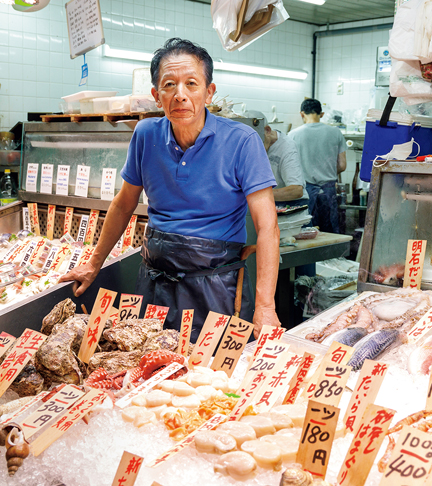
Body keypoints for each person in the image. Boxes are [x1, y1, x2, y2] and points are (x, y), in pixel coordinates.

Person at [60, 38, 281, 339]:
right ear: (155, 95)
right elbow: (124, 203)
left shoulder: (242, 141)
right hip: (154, 284)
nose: (180, 95)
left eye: (192, 83)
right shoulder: (145, 134)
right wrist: (93, 263)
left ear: (209, 92)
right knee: (146, 368)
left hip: (215, 287)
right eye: (169, 85)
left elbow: (267, 226)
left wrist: (265, 305)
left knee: (210, 380)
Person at [288, 98, 347, 234]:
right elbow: (342, 165)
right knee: (330, 232)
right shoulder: (336, 132)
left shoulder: (292, 135)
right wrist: (327, 170)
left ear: (302, 114)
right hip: (328, 191)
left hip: (305, 192)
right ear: (322, 114)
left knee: (306, 232)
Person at [262, 124, 308, 207]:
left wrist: (258, 195)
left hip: (292, 203)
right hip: (271, 200)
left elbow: (296, 190)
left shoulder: (287, 147)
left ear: (268, 131)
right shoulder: (264, 142)